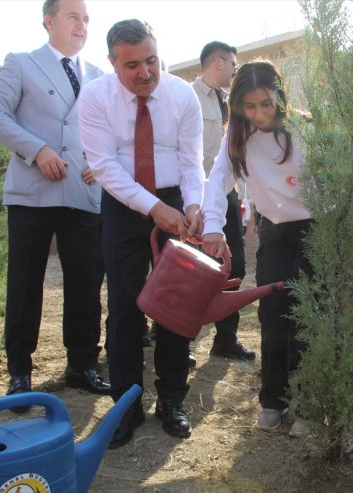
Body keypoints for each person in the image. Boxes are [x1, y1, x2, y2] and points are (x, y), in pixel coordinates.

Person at [78, 18, 203, 446]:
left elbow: (191, 160)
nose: (145, 73)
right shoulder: (94, 98)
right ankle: (126, 406)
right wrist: (153, 209)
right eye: (132, 65)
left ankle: (172, 399)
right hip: (124, 204)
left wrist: (191, 206)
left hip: (174, 198)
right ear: (112, 63)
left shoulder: (182, 95)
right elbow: (105, 167)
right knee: (126, 305)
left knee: (175, 306)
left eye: (151, 60)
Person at [0, 0, 110, 406]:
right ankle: (20, 372)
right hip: (34, 190)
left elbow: (108, 131)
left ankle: (83, 363)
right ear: (49, 21)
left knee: (86, 281)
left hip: (82, 192)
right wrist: (36, 150)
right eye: (74, 16)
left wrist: (101, 163)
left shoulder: (99, 76)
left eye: (87, 19)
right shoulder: (21, 63)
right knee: (25, 283)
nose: (82, 25)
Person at [202, 59, 312, 435]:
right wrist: (213, 224)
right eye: (249, 106)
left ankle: (308, 404)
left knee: (309, 314)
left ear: (280, 97)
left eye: (266, 104)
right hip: (275, 230)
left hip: (316, 228)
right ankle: (273, 400)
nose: (259, 113)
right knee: (273, 312)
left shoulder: (303, 130)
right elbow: (218, 179)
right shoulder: (237, 135)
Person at [191, 41, 255, 362]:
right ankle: (175, 337)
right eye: (232, 63)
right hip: (193, 194)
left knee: (235, 265)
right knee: (190, 269)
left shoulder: (233, 104)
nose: (234, 69)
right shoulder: (187, 97)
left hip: (226, 193)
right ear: (217, 62)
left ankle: (226, 339)